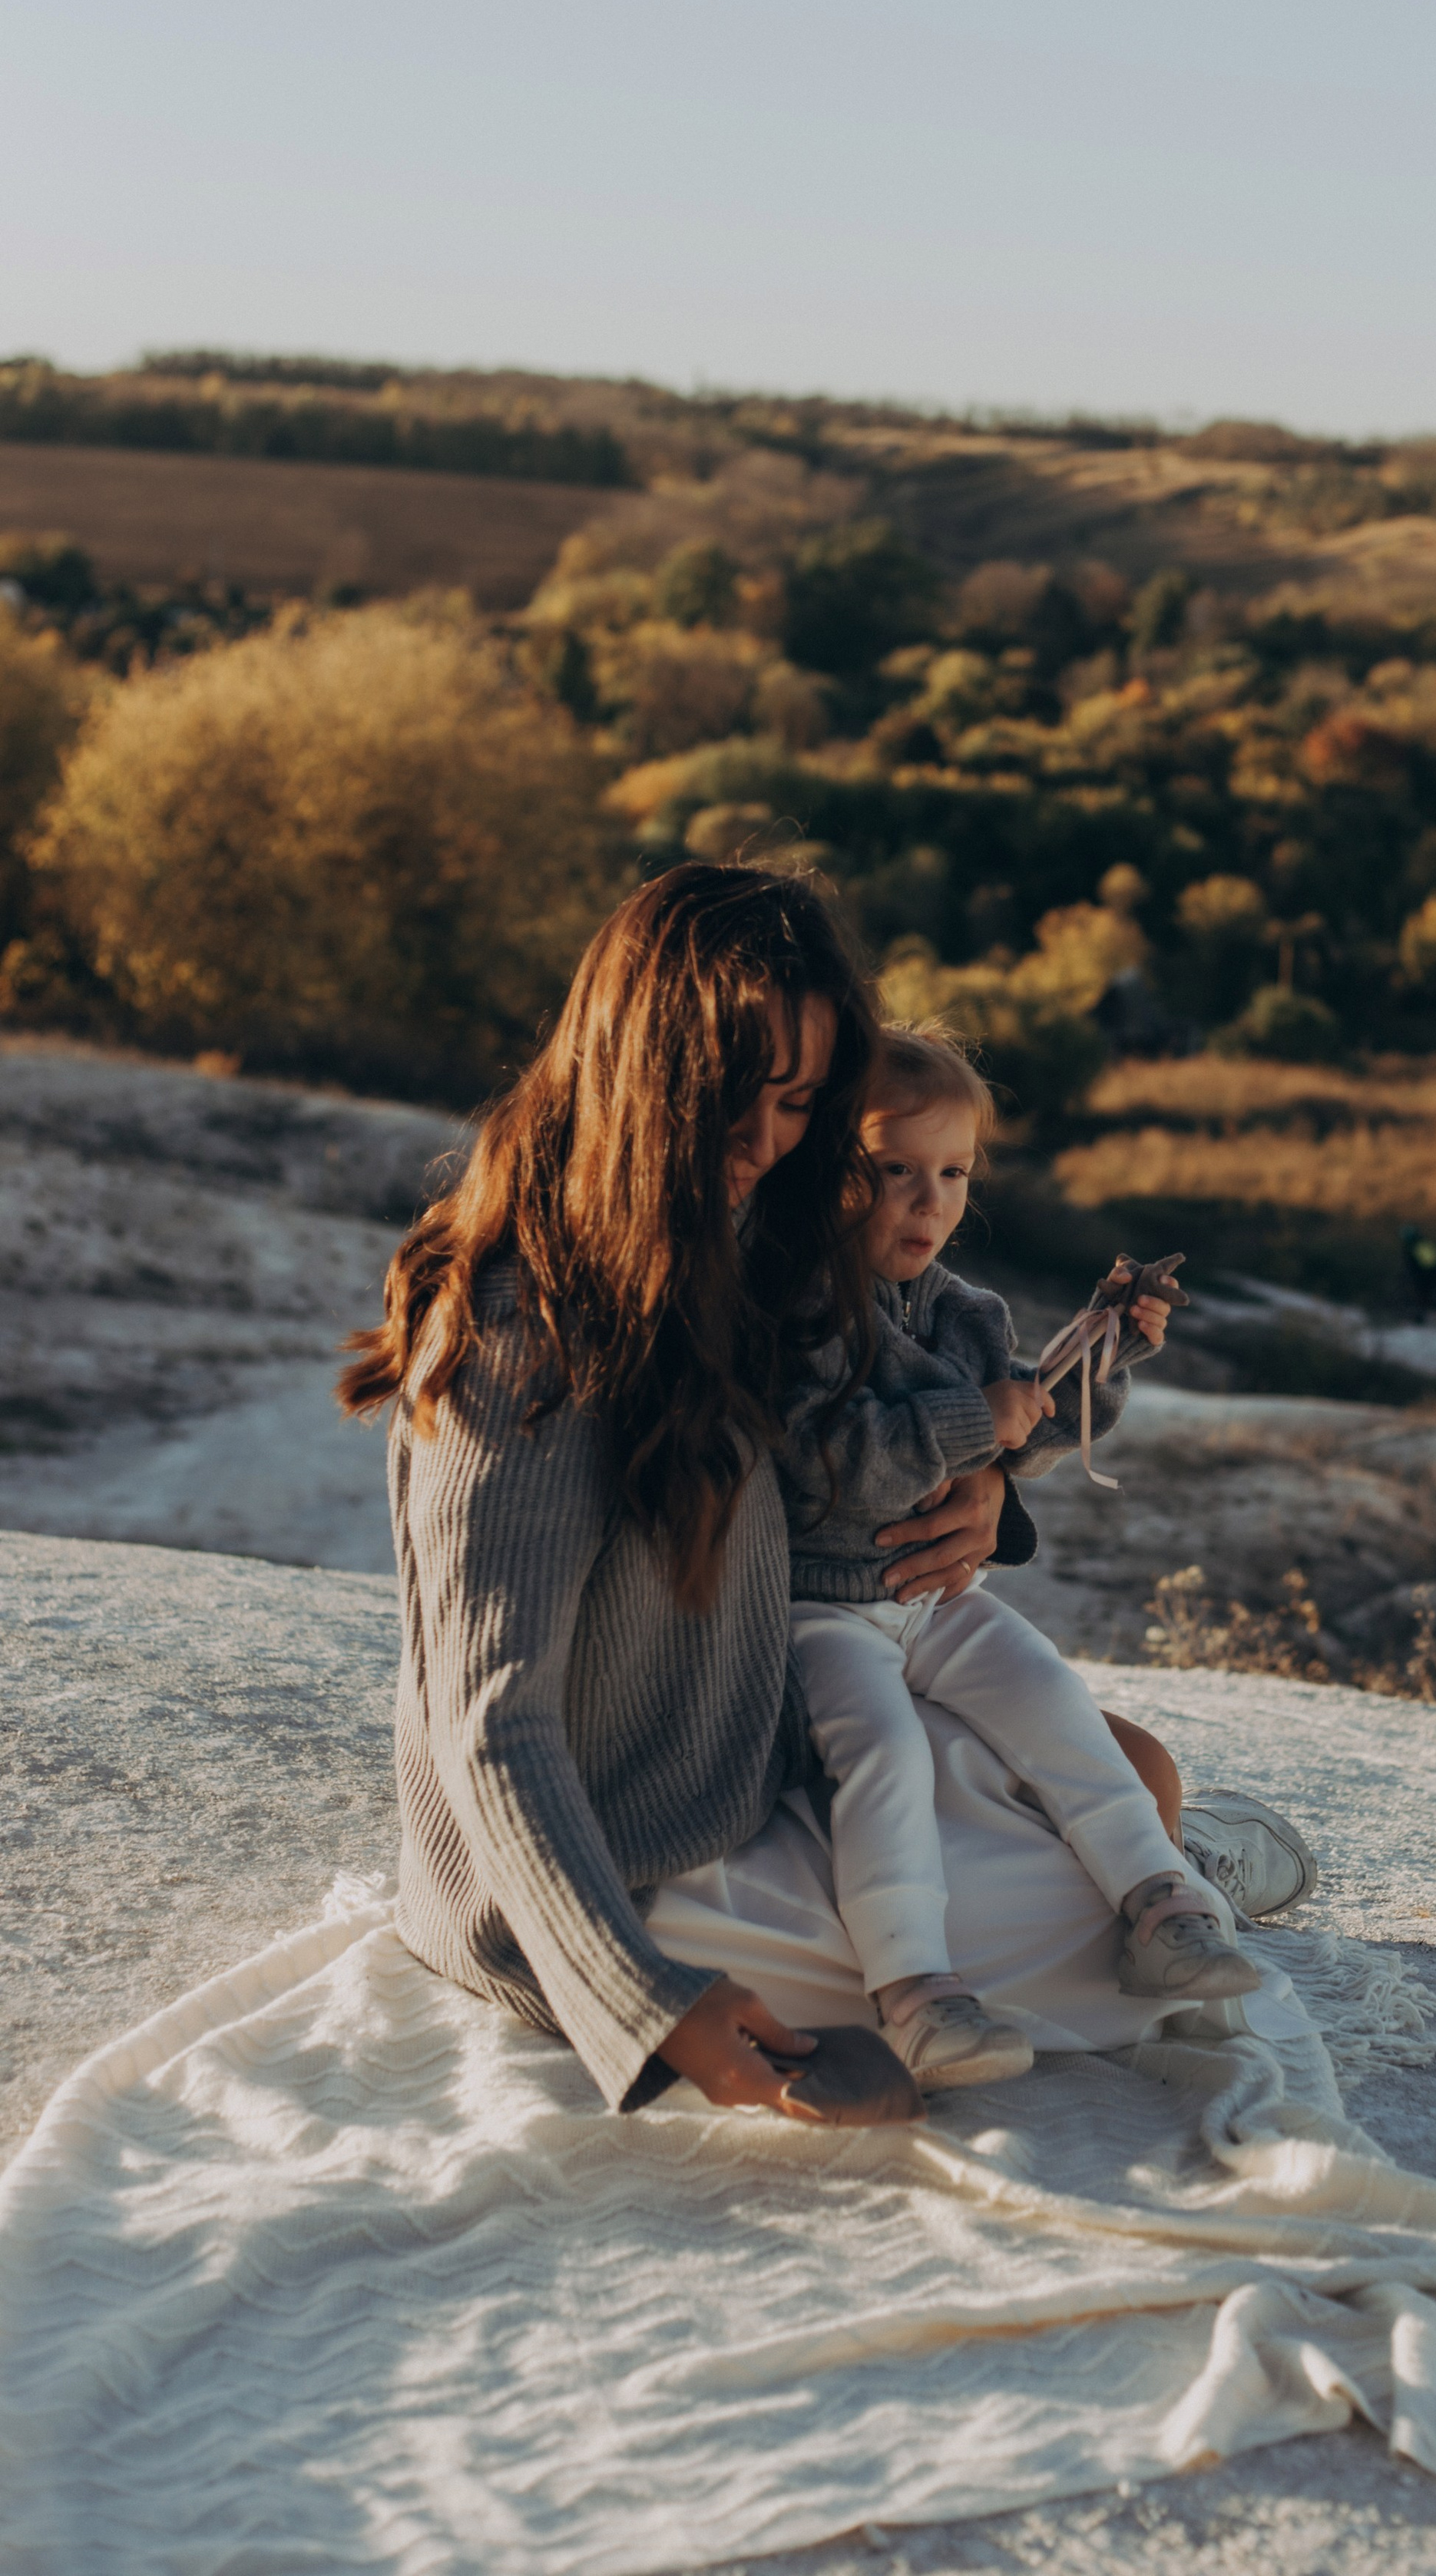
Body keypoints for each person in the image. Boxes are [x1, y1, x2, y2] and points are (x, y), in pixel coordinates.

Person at [338, 864, 1294, 2126]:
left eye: (797, 1103)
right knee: (1097, 1912)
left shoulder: (724, 1232)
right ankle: (1186, 1864)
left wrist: (993, 1487)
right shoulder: (520, 1327)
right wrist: (645, 2002)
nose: (765, 1140)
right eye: (735, 1097)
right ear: (638, 1073)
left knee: (1130, 1767)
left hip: (747, 1737)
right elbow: (491, 1722)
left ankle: (1174, 1855)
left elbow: (826, 1455)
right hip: (628, 1860)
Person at [778, 1027, 1266, 2090]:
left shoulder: (965, 1309)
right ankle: (913, 1988)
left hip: (937, 1598)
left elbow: (1026, 1429)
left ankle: (1160, 1901)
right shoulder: (804, 1308)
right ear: (828, 1169)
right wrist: (971, 1420)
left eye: (951, 1174)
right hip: (822, 1608)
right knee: (884, 1754)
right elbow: (827, 1463)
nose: (928, 1203)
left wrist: (1104, 1355)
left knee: (1051, 1695)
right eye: (894, 1171)